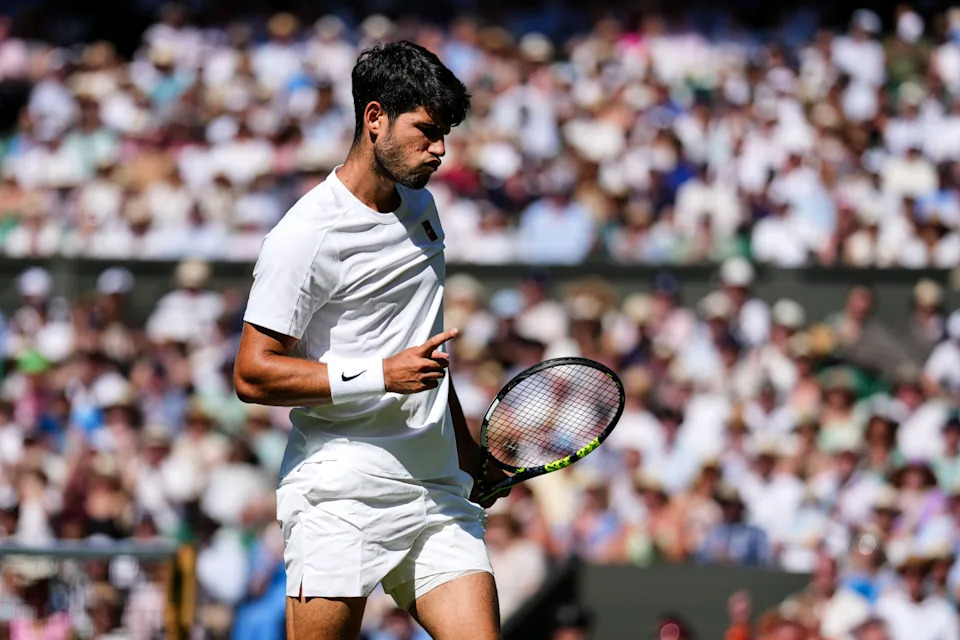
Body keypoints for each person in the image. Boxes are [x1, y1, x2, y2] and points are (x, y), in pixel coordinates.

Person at [233, 41, 508, 640]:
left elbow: (421, 352)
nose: (440, 151)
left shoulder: (424, 208)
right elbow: (252, 374)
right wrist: (382, 374)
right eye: (427, 132)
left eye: (445, 136)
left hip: (436, 493)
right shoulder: (303, 235)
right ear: (374, 117)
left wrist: (465, 454)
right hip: (340, 494)